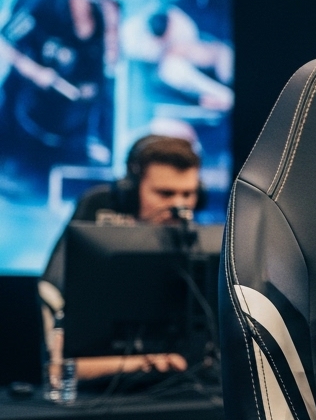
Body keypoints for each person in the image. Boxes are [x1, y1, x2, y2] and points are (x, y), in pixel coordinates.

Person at [37, 135, 202, 381]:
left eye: (188, 194)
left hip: (179, 382)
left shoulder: (191, 238)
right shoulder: (97, 207)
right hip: (97, 381)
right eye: (165, 193)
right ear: (132, 191)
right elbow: (51, 290)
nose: (180, 206)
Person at [0, 0, 119, 198]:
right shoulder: (42, 3)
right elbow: (5, 41)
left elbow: (105, 63)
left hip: (65, 112)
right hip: (25, 93)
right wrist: (34, 71)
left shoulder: (101, 18)